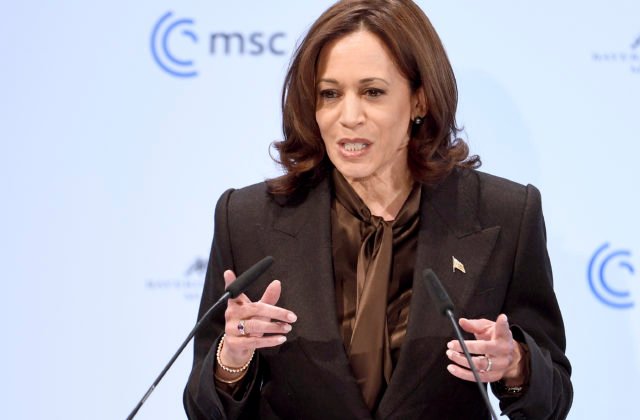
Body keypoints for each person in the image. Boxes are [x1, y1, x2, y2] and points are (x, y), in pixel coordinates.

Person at [184, 0, 573, 418]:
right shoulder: (246, 219)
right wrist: (233, 359)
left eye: (372, 92)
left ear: (420, 100)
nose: (349, 116)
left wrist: (516, 364)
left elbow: (553, 399)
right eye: (330, 94)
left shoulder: (505, 214)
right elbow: (203, 408)